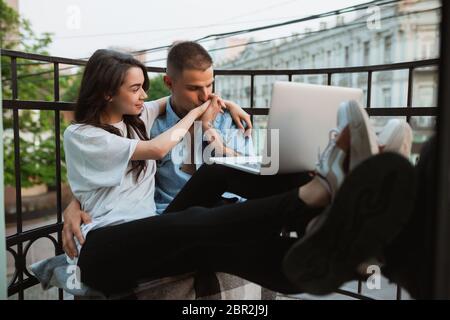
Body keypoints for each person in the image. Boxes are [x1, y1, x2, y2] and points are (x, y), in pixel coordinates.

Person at [63, 48, 414, 296]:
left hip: (150, 233)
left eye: (143, 87)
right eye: (135, 88)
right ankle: (315, 192)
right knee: (199, 220)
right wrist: (197, 119)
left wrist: (224, 103)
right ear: (108, 92)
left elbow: (182, 101)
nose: (144, 94)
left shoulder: (136, 118)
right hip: (102, 250)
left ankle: (342, 248)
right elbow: (157, 148)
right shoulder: (82, 134)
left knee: (217, 191)